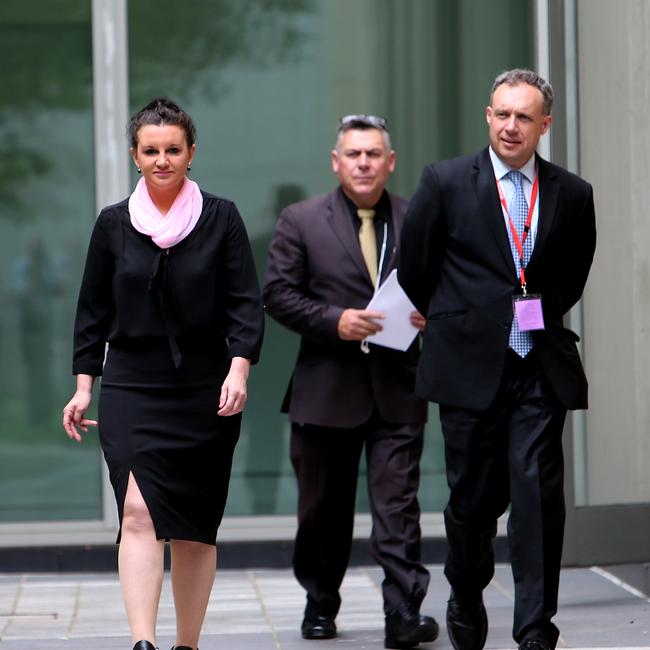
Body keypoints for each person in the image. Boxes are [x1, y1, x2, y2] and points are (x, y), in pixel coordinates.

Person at [398, 69, 597, 650]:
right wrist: (461, 319)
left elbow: (571, 275)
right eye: (502, 114)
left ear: (545, 125)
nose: (512, 126)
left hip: (537, 364)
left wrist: (530, 312)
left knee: (537, 496)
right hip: (467, 366)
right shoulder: (445, 181)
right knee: (472, 504)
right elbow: (416, 269)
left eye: (524, 117)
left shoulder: (573, 192)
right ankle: (465, 588)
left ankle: (535, 628)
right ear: (488, 116)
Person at [62, 97, 264, 650]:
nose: (162, 160)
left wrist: (239, 369)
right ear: (134, 154)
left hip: (204, 383)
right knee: (137, 508)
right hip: (131, 380)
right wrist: (84, 386)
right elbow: (92, 311)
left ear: (191, 153)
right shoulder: (112, 224)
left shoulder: (220, 218)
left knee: (195, 524)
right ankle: (143, 643)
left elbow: (245, 304)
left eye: (173, 149)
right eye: (150, 150)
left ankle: (186, 644)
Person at [263, 114, 437, 649]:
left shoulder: (419, 218)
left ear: (390, 162)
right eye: (353, 154)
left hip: (397, 388)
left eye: (373, 154)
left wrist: (435, 314)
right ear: (336, 162)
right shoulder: (301, 219)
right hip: (325, 390)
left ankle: (403, 613)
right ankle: (320, 603)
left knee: (398, 507)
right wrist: (334, 320)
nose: (363, 163)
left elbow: (446, 283)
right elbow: (277, 294)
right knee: (322, 511)